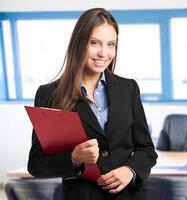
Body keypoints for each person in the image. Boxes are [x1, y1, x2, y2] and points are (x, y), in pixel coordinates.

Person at [27, 8, 157, 200]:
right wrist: (73, 158)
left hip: (129, 195)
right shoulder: (49, 95)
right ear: (79, 43)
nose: (104, 53)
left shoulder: (128, 88)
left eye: (111, 44)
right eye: (95, 43)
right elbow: (37, 164)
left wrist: (130, 170)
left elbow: (146, 150)